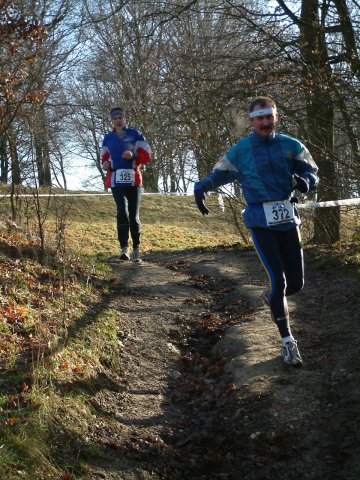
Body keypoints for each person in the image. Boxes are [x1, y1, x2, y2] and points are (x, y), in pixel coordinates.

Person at [194, 96, 319, 367]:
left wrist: (305, 182)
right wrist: (201, 187)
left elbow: (312, 172)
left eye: (269, 117)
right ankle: (288, 343)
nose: (265, 122)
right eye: (259, 118)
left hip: (287, 220)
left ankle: (273, 299)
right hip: (260, 221)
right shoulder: (240, 151)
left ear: (276, 118)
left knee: (296, 284)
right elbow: (219, 173)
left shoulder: (292, 145)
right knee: (279, 281)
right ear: (251, 122)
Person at [101, 107, 152, 262]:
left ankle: (136, 248)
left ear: (124, 119)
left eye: (120, 118)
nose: (117, 120)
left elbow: (148, 156)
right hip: (116, 179)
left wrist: (134, 155)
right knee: (121, 211)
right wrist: (104, 164)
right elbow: (104, 156)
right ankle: (124, 249)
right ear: (112, 121)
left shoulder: (136, 135)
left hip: (134, 179)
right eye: (115, 118)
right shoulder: (108, 138)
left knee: (133, 215)